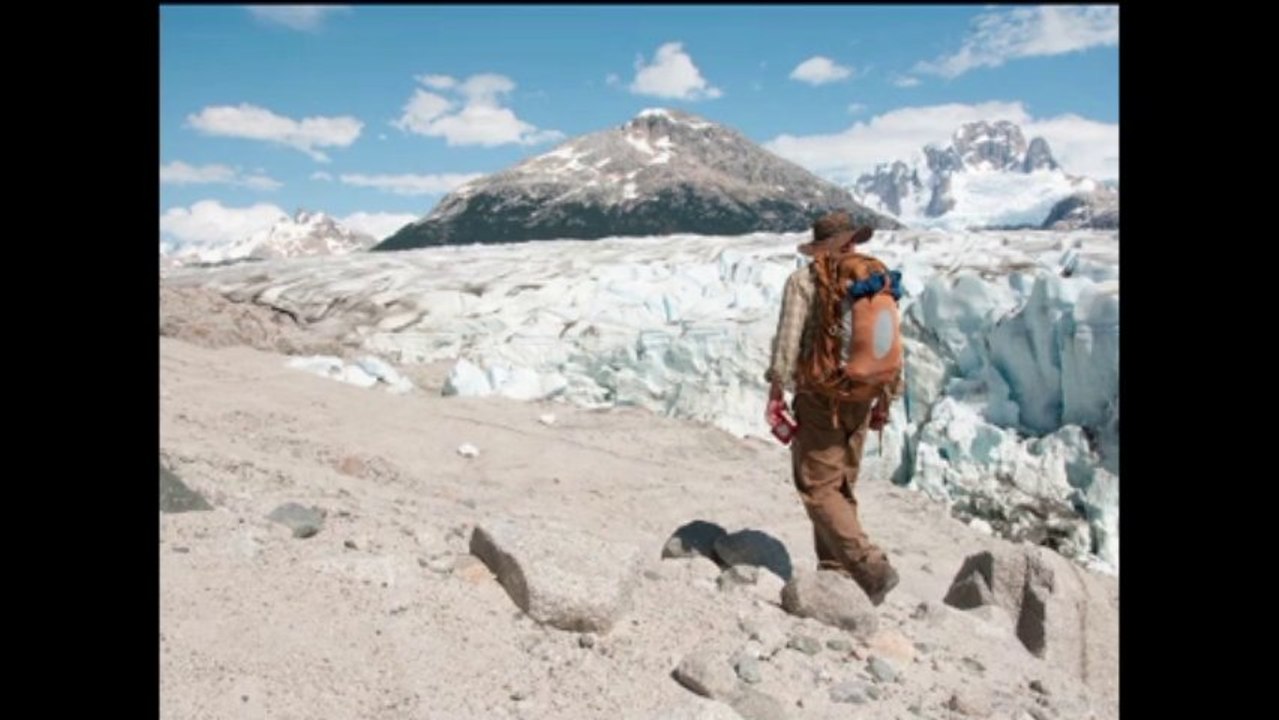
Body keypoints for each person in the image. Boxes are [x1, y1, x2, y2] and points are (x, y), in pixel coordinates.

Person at [764, 211, 902, 604]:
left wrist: (777, 388)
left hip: (820, 396)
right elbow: (891, 341)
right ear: (852, 241)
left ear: (820, 246)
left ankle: (869, 566)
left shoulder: (805, 280)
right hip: (863, 394)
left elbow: (789, 339)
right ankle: (836, 572)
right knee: (840, 486)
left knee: (818, 486)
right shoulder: (874, 279)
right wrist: (887, 395)